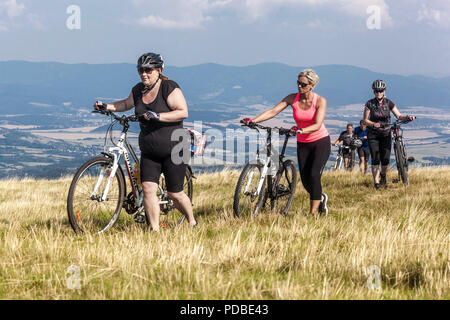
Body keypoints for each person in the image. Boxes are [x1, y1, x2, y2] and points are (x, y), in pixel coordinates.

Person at [94, 52, 197, 230]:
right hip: (150, 150)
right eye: (141, 70)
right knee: (148, 188)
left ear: (159, 70)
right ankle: (155, 231)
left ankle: (192, 222)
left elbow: (182, 112)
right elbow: (126, 104)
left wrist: (158, 116)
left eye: (148, 70)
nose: (144, 73)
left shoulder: (169, 87)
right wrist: (107, 106)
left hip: (175, 147)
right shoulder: (138, 90)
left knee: (175, 193)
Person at [242, 69, 330, 216]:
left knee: (314, 175)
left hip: (320, 141)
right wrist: (253, 120)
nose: (299, 87)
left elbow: (317, 124)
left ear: (312, 85)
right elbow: (273, 111)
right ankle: (320, 197)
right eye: (298, 83)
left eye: (303, 84)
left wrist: (301, 130)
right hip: (303, 143)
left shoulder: (320, 101)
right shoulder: (292, 98)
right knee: (306, 180)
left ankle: (313, 213)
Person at [363, 79, 415, 189]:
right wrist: (373, 124)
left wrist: (407, 117)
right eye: (376, 91)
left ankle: (383, 175)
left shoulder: (389, 103)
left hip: (386, 133)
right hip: (373, 134)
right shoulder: (369, 104)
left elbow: (399, 116)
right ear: (373, 92)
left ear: (384, 91)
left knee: (385, 159)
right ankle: (376, 183)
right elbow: (365, 120)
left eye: (381, 91)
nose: (379, 93)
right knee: (375, 159)